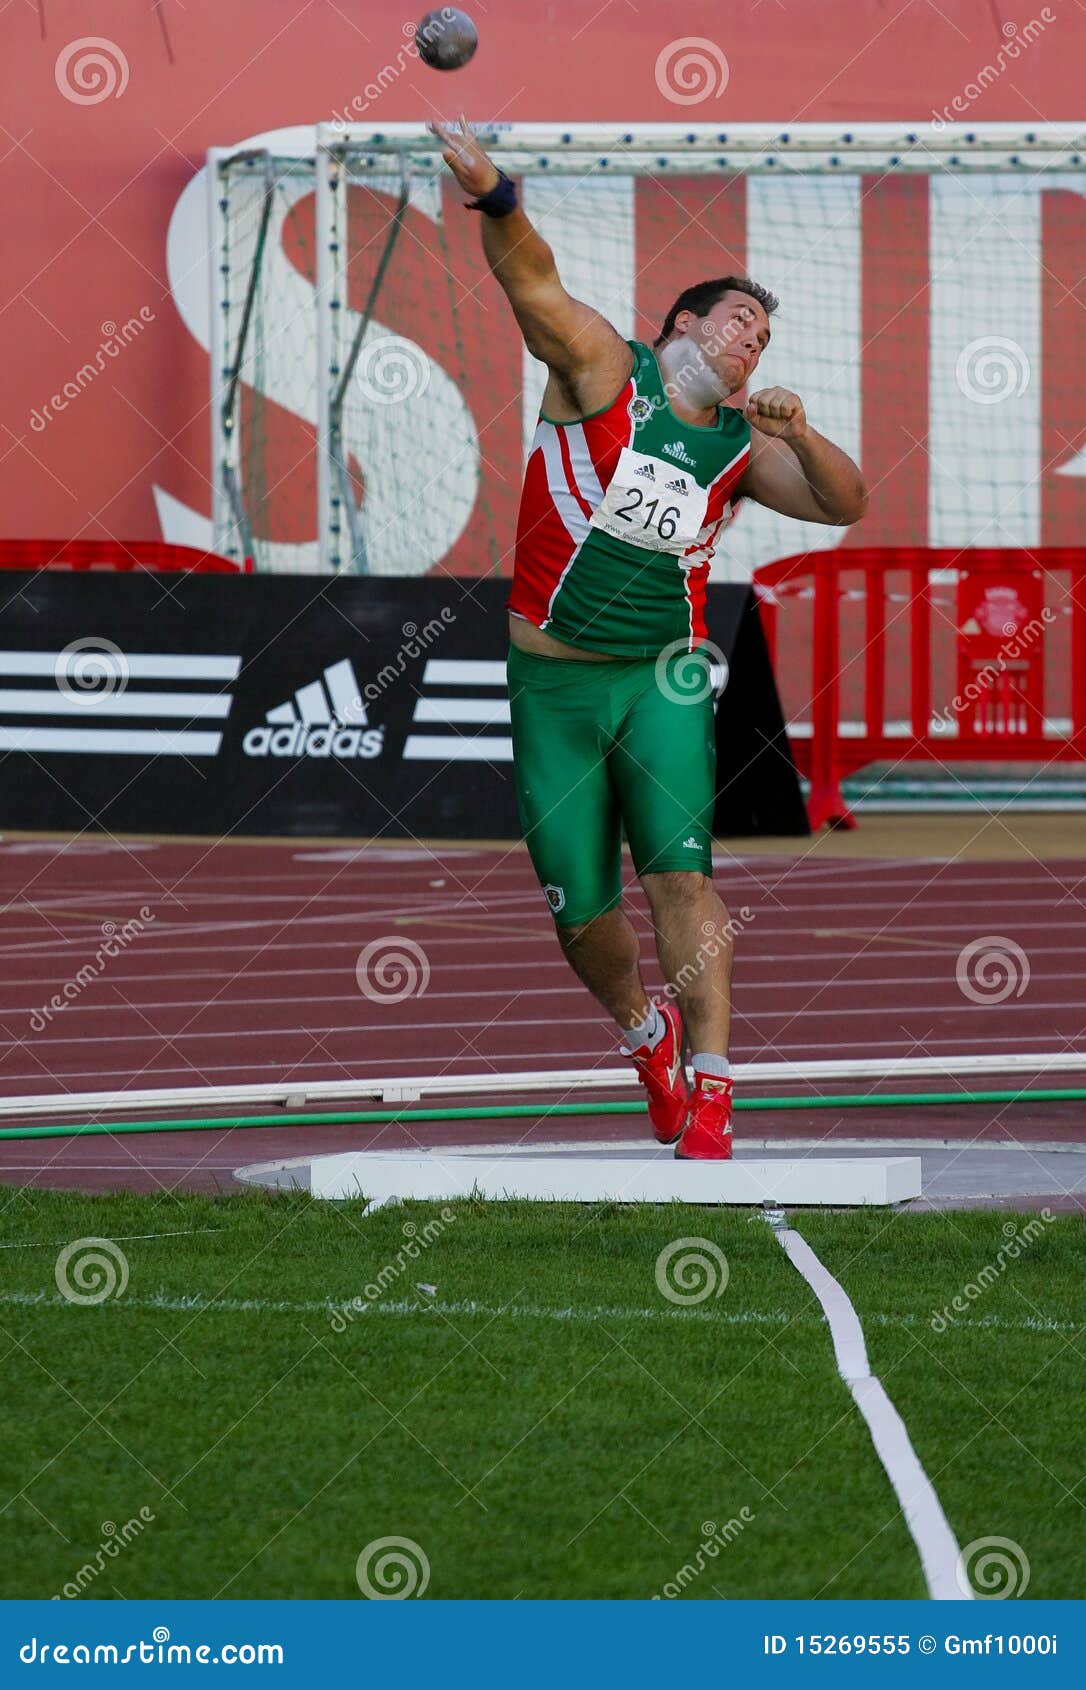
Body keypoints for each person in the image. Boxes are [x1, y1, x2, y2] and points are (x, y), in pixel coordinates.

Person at [432, 117, 868, 1160]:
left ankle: (713, 1085)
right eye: (736, 321)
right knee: (582, 916)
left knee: (682, 878)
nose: (750, 341)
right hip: (555, 690)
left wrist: (797, 428)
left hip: (664, 682)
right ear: (681, 321)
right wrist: (498, 197)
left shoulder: (741, 449)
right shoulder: (601, 370)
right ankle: (644, 1034)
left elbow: (844, 502)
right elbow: (530, 282)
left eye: (763, 335)